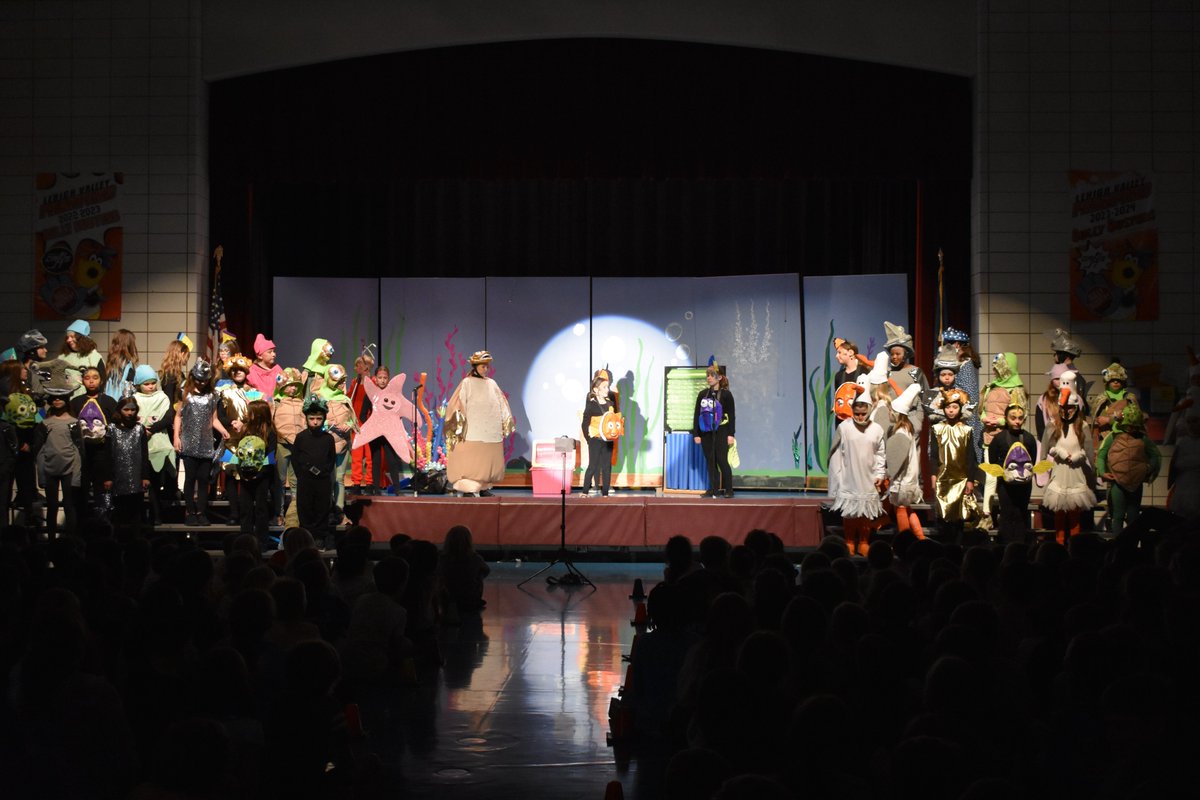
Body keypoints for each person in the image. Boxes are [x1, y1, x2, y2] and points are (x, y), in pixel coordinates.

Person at [445, 351, 514, 497]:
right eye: (483, 366)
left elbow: (501, 402)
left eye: (487, 367)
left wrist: (504, 421)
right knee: (471, 462)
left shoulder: (492, 383)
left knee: (487, 461)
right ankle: (468, 487)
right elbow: (457, 404)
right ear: (475, 366)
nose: (485, 369)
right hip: (472, 431)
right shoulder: (467, 383)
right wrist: (458, 426)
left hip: (489, 431)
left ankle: (483, 486)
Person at [1040, 371, 1095, 545]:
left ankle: (1075, 547)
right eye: (1063, 408)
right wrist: (1057, 452)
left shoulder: (1083, 426)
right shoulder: (1053, 424)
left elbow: (1089, 451)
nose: (1066, 412)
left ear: (1076, 408)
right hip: (1059, 472)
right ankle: (1059, 544)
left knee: (1074, 513)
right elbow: (1045, 448)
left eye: (1070, 408)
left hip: (1076, 473)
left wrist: (1082, 457)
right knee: (1059, 514)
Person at [173, 360, 229, 526]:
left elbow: (214, 419)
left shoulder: (212, 396)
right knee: (190, 478)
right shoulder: (185, 393)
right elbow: (178, 416)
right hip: (189, 442)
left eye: (204, 380)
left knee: (203, 479)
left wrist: (223, 430)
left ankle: (201, 512)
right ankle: (190, 511)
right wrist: (176, 436)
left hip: (205, 443)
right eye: (198, 379)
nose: (201, 383)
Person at [828, 394, 886, 556]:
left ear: (869, 411)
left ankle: (863, 542)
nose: (860, 417)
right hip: (849, 474)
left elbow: (881, 453)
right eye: (857, 413)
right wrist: (837, 476)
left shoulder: (876, 429)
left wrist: (880, 473)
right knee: (850, 511)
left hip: (869, 474)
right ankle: (848, 541)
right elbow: (836, 452)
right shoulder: (845, 427)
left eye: (863, 414)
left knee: (866, 510)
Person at [1095, 404, 1160, 536]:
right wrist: (1102, 472)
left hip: (1136, 483)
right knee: (1117, 515)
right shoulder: (1113, 437)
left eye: (1134, 426)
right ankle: (1118, 545)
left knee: (1133, 516)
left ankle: (1132, 545)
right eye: (1129, 425)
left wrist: (1148, 468)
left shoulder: (1142, 439)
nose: (1131, 429)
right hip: (1117, 482)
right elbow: (1101, 455)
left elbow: (1155, 455)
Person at [980, 403, 1040, 544]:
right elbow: (993, 460)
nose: (1017, 421)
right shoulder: (999, 438)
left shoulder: (1029, 438)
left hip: (1024, 485)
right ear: (1006, 418)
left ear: (1024, 419)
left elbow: (1032, 459)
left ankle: (1020, 546)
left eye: (1020, 418)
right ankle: (1005, 546)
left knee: (1021, 513)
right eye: (1013, 418)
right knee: (1007, 514)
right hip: (1005, 485)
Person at [929, 387, 981, 544]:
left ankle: (957, 548)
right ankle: (944, 548)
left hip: (961, 479)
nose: (951, 411)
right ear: (943, 408)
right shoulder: (937, 429)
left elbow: (971, 457)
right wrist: (933, 475)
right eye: (948, 407)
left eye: (954, 407)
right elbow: (933, 454)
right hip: (942, 478)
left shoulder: (966, 430)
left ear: (960, 409)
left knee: (959, 516)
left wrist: (970, 480)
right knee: (943, 515)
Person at [70, 365, 118, 516]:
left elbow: (115, 427)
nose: (91, 381)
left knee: (101, 489)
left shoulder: (109, 402)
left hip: (103, 452)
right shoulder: (76, 402)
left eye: (95, 378)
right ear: (82, 381)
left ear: (101, 381)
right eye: (87, 378)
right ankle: (82, 522)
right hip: (81, 453)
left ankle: (103, 523)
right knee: (81, 488)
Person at [34, 384, 82, 537]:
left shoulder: (74, 422)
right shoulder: (45, 423)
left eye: (61, 398)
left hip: (69, 469)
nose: (57, 401)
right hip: (49, 469)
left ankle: (70, 540)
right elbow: (40, 450)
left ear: (67, 400)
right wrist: (41, 475)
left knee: (69, 505)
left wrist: (77, 475)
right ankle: (52, 540)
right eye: (54, 398)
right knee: (52, 506)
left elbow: (78, 450)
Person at [131, 365, 176, 524]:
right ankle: (141, 517)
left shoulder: (162, 397)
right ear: (139, 384)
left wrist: (151, 429)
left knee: (155, 484)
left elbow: (168, 417)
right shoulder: (134, 398)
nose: (150, 387)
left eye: (152, 383)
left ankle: (158, 516)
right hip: (139, 446)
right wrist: (142, 430)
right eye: (146, 384)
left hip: (158, 444)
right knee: (140, 484)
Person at [291, 393, 336, 546]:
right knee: (305, 507)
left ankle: (320, 536)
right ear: (306, 418)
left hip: (322, 480)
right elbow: (295, 458)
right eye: (312, 419)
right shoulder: (301, 437)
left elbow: (331, 459)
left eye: (319, 419)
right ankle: (306, 535)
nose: (315, 422)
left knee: (322, 507)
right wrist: (303, 475)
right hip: (305, 480)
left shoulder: (328, 438)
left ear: (323, 418)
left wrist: (324, 472)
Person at [234, 399, 278, 548]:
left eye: (250, 412)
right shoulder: (245, 430)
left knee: (261, 509)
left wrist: (258, 474)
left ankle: (261, 541)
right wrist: (242, 472)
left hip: (262, 477)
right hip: (245, 476)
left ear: (258, 414)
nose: (247, 414)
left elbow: (271, 456)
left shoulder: (270, 431)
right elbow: (239, 452)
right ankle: (245, 540)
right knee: (245, 509)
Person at [104, 395, 151, 528]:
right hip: (117, 475)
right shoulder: (111, 429)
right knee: (119, 512)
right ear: (119, 410)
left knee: (135, 512)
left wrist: (145, 476)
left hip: (136, 476)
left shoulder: (139, 429)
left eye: (133, 410)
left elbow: (144, 453)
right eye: (126, 409)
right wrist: (108, 477)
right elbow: (107, 454)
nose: (130, 413)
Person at [692, 362, 736, 498]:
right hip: (706, 433)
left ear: (720, 377)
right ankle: (714, 489)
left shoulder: (727, 395)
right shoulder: (702, 394)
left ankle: (729, 489)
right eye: (708, 375)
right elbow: (696, 414)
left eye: (712, 375)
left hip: (722, 431)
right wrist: (696, 433)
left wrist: (730, 434)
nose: (709, 378)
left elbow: (732, 415)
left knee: (722, 460)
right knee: (710, 462)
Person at [882, 322, 929, 435]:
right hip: (890, 418)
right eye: (892, 354)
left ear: (906, 354)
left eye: (898, 354)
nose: (894, 357)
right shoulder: (887, 373)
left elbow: (925, 396)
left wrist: (918, 419)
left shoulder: (915, 372)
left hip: (910, 417)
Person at [273, 367, 306, 525]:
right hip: (282, 444)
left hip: (297, 446)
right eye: (290, 385)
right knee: (279, 479)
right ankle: (278, 513)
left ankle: (295, 512)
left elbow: (304, 423)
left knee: (296, 481)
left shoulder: (302, 403)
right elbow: (274, 423)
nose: (293, 388)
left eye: (296, 386)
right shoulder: (276, 403)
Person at [438, 524, 491, 615]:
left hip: (447, 598)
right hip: (470, 600)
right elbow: (486, 570)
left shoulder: (442, 558)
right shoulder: (475, 558)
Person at [581, 372, 619, 497]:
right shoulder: (591, 405)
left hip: (608, 441)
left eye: (607, 387)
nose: (607, 389)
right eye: (604, 387)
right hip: (595, 440)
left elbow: (614, 421)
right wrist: (589, 439)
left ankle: (605, 494)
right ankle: (585, 492)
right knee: (592, 466)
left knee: (607, 467)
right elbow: (584, 424)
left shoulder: (610, 404)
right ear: (596, 389)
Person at [58, 319, 104, 399]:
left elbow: (102, 381)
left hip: (88, 400)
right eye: (67, 337)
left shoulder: (94, 356)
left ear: (82, 338)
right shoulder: (62, 357)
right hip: (67, 400)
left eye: (72, 337)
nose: (68, 340)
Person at [102, 328, 139, 401]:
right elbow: (130, 388)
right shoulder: (128, 365)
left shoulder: (111, 363)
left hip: (108, 401)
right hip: (121, 404)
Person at [158, 333, 192, 404]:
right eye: (187, 355)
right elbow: (169, 400)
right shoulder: (170, 374)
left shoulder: (177, 373)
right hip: (172, 413)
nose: (188, 358)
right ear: (182, 354)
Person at [247, 333, 282, 397]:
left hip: (276, 404)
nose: (274, 354)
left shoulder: (277, 369)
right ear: (260, 355)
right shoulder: (252, 371)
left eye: (274, 351)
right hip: (260, 404)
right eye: (269, 352)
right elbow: (248, 393)